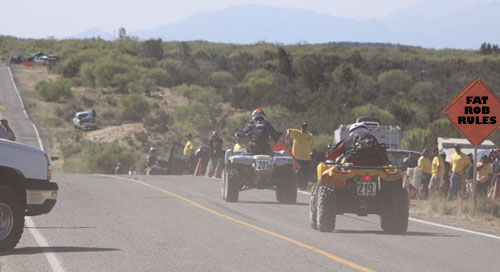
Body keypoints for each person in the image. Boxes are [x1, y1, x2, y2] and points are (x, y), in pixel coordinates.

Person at [287, 122, 315, 190]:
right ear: (301, 127)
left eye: (305, 127)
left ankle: (304, 186)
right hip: (297, 157)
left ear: (307, 128)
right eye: (302, 127)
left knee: (305, 173)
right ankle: (298, 185)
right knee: (298, 171)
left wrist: (313, 157)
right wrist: (288, 134)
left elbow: (314, 147)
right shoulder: (297, 133)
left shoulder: (310, 136)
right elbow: (289, 130)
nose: (303, 128)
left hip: (306, 158)